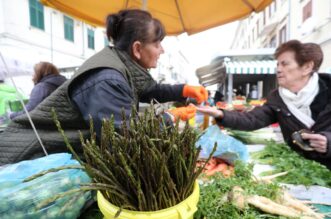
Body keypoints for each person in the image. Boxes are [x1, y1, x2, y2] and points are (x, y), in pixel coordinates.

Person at [0, 9, 207, 165]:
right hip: (26, 158)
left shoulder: (123, 65)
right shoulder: (107, 79)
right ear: (137, 48)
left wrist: (184, 89)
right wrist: (169, 118)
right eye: (157, 43)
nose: (162, 50)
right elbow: (122, 138)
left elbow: (149, 89)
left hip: (54, 157)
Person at [197, 40, 331, 170]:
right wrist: (220, 113)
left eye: (285, 64)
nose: (278, 69)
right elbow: (252, 120)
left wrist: (329, 143)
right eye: (277, 64)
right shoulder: (278, 99)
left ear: (307, 67)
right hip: (303, 170)